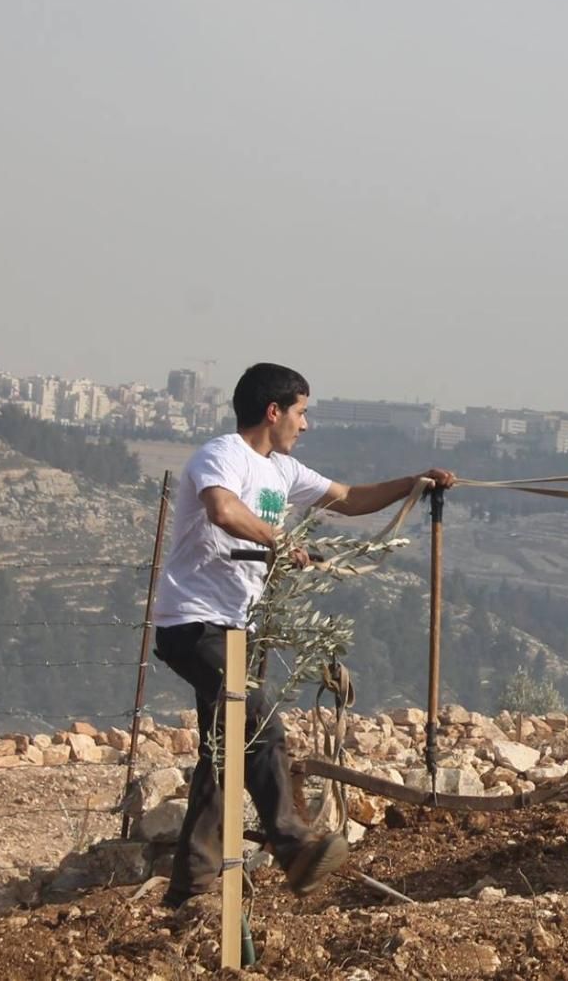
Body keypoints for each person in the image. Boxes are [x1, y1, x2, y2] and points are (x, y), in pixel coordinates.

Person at [150, 361, 455, 909]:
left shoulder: (283, 472)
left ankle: (189, 887)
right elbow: (221, 509)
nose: (305, 425)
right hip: (193, 624)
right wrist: (277, 538)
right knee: (258, 715)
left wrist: (416, 483)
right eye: (301, 412)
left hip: (231, 627)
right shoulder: (223, 455)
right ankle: (294, 846)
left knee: (224, 753)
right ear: (274, 412)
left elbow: (352, 498)